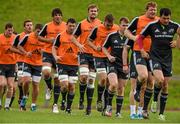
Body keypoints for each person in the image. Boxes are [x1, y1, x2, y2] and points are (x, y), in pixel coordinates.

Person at [136, 8, 180, 121]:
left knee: (165, 85)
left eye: (168, 18)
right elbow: (140, 38)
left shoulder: (175, 25)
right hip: (154, 57)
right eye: (164, 18)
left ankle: (161, 113)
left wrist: (176, 41)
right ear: (160, 17)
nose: (166, 20)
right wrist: (141, 50)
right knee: (159, 80)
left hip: (167, 59)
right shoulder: (152, 25)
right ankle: (150, 104)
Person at [124, 1, 159, 119]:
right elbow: (126, 31)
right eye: (151, 9)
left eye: (155, 10)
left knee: (148, 84)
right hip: (138, 52)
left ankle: (141, 111)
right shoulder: (138, 19)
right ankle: (132, 112)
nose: (153, 11)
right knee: (137, 81)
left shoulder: (159, 21)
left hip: (153, 54)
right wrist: (134, 38)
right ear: (146, 10)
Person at [71, 4, 101, 114]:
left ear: (97, 12)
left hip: (95, 55)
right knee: (83, 76)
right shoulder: (81, 24)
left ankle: (88, 107)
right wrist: (79, 45)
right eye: (91, 11)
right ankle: (81, 99)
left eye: (95, 11)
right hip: (83, 53)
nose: (93, 12)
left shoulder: (100, 24)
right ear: (88, 12)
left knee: (91, 80)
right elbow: (72, 37)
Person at [88, 14, 119, 113]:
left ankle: (106, 105)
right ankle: (99, 99)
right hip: (98, 56)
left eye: (111, 25)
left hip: (111, 58)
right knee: (103, 79)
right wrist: (94, 47)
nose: (109, 27)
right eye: (108, 25)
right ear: (104, 21)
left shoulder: (117, 28)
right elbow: (88, 40)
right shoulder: (97, 28)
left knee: (109, 82)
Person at [38, 8, 66, 113]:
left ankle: (55, 105)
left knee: (57, 80)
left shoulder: (65, 26)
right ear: (53, 17)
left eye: (59, 14)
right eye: (56, 15)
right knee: (46, 72)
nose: (58, 16)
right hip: (48, 52)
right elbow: (39, 37)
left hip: (59, 54)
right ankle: (49, 87)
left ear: (61, 16)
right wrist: (48, 40)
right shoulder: (47, 26)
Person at [102, 17, 129, 118]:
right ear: (119, 25)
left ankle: (118, 112)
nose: (125, 27)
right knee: (113, 84)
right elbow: (104, 47)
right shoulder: (112, 35)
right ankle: (108, 106)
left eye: (127, 25)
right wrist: (109, 56)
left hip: (124, 65)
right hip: (112, 64)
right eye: (123, 25)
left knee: (121, 89)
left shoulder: (129, 37)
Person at [52, 18, 78, 114]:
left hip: (74, 65)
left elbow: (83, 48)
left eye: (73, 26)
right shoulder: (60, 35)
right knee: (64, 86)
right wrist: (55, 56)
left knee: (72, 87)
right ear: (66, 25)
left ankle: (68, 108)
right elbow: (54, 48)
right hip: (62, 64)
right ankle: (62, 100)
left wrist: (78, 55)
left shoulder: (78, 37)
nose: (71, 27)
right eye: (70, 25)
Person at [18, 24, 44, 111]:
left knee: (36, 84)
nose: (39, 33)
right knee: (27, 81)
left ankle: (33, 104)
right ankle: (25, 97)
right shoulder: (28, 37)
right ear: (35, 30)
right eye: (37, 31)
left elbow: (47, 51)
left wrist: (42, 53)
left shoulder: (44, 39)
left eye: (41, 32)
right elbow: (19, 46)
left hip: (38, 64)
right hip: (27, 63)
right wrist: (26, 53)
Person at [10, 19, 33, 108]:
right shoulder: (19, 36)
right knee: (20, 81)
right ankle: (22, 97)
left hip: (32, 63)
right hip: (20, 61)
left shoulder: (35, 37)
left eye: (31, 25)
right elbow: (12, 48)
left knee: (27, 81)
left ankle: (24, 97)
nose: (29, 26)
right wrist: (22, 52)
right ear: (24, 27)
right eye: (27, 25)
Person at [0, 23, 16, 110]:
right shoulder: (0, 37)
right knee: (1, 84)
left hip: (12, 64)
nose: (10, 32)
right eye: (8, 30)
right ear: (5, 30)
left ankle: (7, 106)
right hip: (1, 64)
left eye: (11, 30)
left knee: (10, 86)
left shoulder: (15, 38)